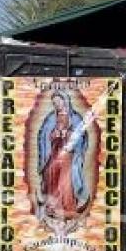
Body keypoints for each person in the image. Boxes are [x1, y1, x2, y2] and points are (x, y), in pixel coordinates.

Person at [36, 91, 91, 220]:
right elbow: (43, 135)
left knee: (65, 181)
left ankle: (68, 207)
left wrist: (69, 135)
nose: (56, 104)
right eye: (54, 103)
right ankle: (52, 207)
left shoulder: (75, 118)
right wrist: (54, 134)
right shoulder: (50, 118)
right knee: (52, 177)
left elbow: (82, 135)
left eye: (58, 101)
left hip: (69, 154)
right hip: (54, 153)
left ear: (65, 101)